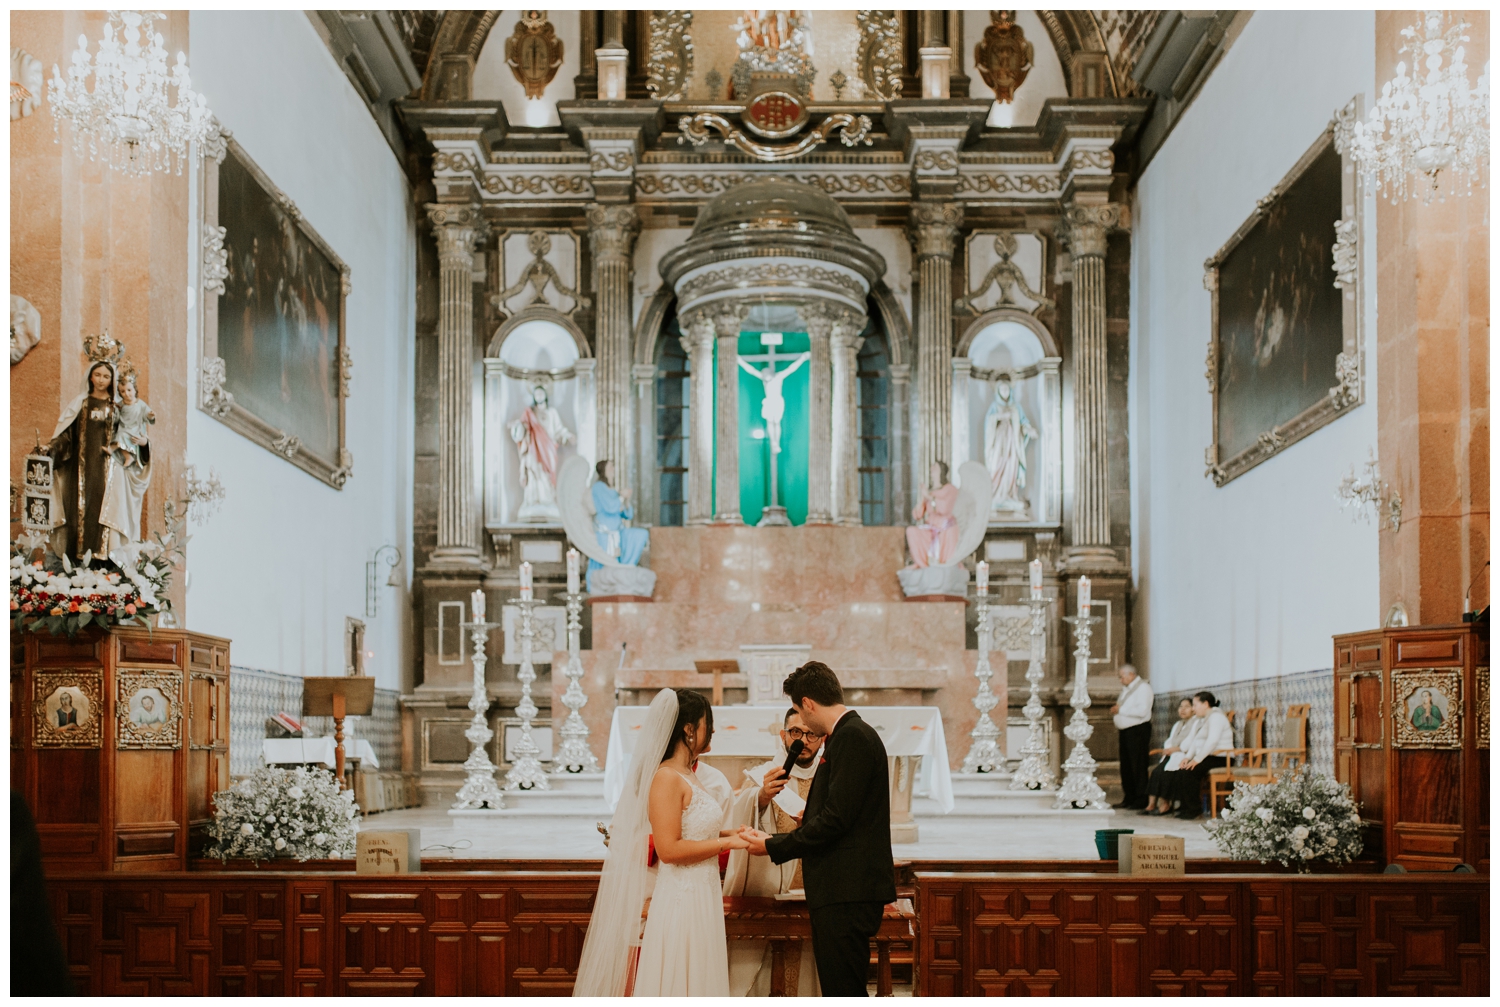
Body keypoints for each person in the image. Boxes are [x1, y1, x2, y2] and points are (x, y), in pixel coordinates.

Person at [573, 689, 747, 997]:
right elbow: (669, 850)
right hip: (682, 896)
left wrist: (732, 835)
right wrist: (727, 846)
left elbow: (695, 831)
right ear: (689, 729)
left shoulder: (688, 774)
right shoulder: (666, 777)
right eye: (708, 723)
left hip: (701, 894)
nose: (713, 730)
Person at [741, 662, 896, 996]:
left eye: (798, 709)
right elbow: (845, 812)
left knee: (844, 992)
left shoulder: (850, 737)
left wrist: (771, 845)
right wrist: (809, 821)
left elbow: (837, 820)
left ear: (808, 703)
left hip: (846, 890)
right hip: (845, 888)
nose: (802, 720)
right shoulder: (848, 734)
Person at [722, 707, 825, 996]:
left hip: (813, 890)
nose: (803, 740)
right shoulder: (762, 777)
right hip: (769, 893)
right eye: (796, 732)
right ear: (783, 735)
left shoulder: (829, 778)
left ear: (822, 738)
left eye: (811, 734)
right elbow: (740, 824)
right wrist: (762, 797)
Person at [48, 360, 120, 562]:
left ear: (112, 380)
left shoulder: (117, 407)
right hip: (79, 470)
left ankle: (104, 560)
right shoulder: (81, 404)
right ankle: (76, 560)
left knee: (102, 513)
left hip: (108, 471)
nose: (101, 380)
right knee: (77, 512)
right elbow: (66, 436)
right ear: (90, 376)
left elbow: (129, 434)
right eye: (97, 375)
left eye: (106, 376)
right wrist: (52, 447)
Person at [100, 368, 154, 543]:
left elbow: (148, 423)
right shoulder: (118, 408)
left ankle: (123, 545)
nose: (126, 394)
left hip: (130, 463)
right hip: (112, 463)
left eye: (106, 377)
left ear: (135, 390)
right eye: (122, 391)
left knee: (126, 510)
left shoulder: (140, 406)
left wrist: (144, 443)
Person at [1158, 691, 1231, 820]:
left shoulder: (1216, 717)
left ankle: (1195, 810)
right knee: (1181, 770)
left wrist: (1196, 760)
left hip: (1220, 757)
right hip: (1207, 756)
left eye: (1195, 705)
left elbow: (1212, 742)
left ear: (1205, 704)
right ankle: (1185, 807)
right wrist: (1187, 758)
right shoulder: (1200, 720)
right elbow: (1194, 741)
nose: (1193, 708)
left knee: (1190, 771)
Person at [509, 384, 575, 522]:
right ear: (533, 396)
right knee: (534, 473)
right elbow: (521, 431)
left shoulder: (552, 413)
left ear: (545, 395)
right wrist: (516, 426)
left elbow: (559, 430)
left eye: (541, 393)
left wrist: (567, 436)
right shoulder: (529, 413)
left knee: (546, 476)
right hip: (533, 450)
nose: (539, 396)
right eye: (536, 394)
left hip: (548, 449)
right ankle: (533, 500)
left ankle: (547, 500)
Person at [587, 460, 649, 592]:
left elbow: (627, 515)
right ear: (604, 469)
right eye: (611, 466)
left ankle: (627, 566)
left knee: (640, 534)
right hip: (605, 534)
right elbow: (610, 507)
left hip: (617, 531)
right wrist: (621, 497)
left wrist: (625, 500)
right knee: (602, 562)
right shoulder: (598, 487)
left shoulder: (613, 490)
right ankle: (598, 587)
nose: (613, 469)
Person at [1110, 665, 1154, 810]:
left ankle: (1140, 799)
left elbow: (1142, 711)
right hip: (1126, 731)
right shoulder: (1127, 689)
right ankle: (1129, 797)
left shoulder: (1143, 689)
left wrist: (1120, 710)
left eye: (1122, 676)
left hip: (1138, 731)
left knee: (1138, 765)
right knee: (1127, 767)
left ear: (1132, 675)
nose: (1120, 679)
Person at [1142, 698, 1196, 815]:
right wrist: (1168, 749)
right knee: (1156, 772)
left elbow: (1191, 742)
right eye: (1181, 707)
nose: (1183, 710)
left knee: (1166, 773)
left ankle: (1165, 804)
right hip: (1172, 754)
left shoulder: (1195, 723)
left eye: (1186, 707)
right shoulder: (1178, 724)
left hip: (1184, 754)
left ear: (1193, 709)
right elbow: (1170, 740)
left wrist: (1175, 749)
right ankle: (1151, 804)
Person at [906, 462, 959, 568]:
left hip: (945, 527)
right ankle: (922, 564)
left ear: (942, 471)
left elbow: (944, 509)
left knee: (950, 532)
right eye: (931, 467)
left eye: (935, 467)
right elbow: (917, 515)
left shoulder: (950, 489)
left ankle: (944, 564)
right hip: (930, 528)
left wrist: (929, 497)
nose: (932, 469)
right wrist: (922, 497)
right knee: (911, 531)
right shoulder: (929, 491)